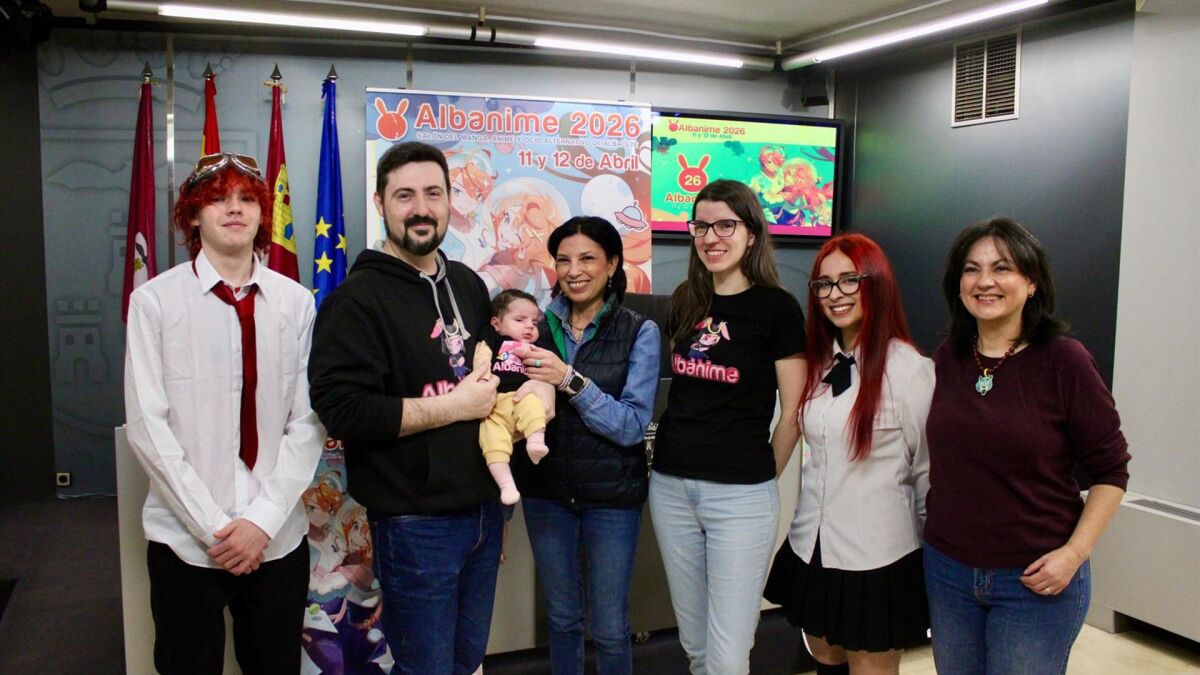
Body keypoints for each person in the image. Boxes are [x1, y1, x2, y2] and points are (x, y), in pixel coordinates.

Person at [308, 141, 550, 674]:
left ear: (449, 200)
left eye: (433, 193)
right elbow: (343, 410)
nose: (421, 208)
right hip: (415, 525)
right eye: (405, 195)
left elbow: (497, 371)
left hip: (483, 513)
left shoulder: (467, 283)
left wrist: (540, 390)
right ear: (380, 203)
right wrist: (454, 407)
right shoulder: (355, 300)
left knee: (466, 662)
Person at [124, 151, 324, 674]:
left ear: (262, 213)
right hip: (185, 542)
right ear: (193, 215)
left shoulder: (296, 303)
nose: (234, 209)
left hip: (276, 539)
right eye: (217, 199)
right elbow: (147, 426)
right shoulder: (154, 303)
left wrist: (260, 522)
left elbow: (307, 422)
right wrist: (215, 527)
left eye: (246, 199)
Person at [923, 217, 1131, 674]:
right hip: (948, 572)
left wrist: (1073, 555)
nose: (985, 281)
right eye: (972, 269)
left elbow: (1111, 472)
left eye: (1002, 268)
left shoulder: (1064, 361)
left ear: (1032, 283)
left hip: (1034, 581)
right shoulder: (948, 358)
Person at [650, 179, 806, 674]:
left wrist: (759, 476)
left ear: (752, 233)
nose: (711, 237)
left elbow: (794, 409)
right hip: (671, 488)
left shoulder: (777, 308)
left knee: (727, 654)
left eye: (725, 225)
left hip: (740, 497)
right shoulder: (685, 300)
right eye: (701, 226)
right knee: (695, 645)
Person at [763, 233, 934, 675]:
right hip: (812, 546)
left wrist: (929, 563)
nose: (834, 294)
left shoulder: (909, 370)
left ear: (876, 283)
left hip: (877, 558)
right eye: (824, 284)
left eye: (848, 280)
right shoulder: (819, 363)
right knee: (825, 661)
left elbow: (927, 474)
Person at [513, 215, 661, 675]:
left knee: (611, 627)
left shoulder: (640, 331)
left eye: (587, 259)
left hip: (612, 497)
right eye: (563, 260)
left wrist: (569, 380)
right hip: (546, 493)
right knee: (562, 619)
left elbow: (631, 426)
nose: (574, 271)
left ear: (613, 264)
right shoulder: (534, 327)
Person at [478, 288, 553, 505]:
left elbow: (549, 368)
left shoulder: (535, 346)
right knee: (491, 440)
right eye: (520, 320)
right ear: (497, 323)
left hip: (522, 395)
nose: (529, 326)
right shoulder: (494, 341)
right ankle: (506, 485)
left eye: (534, 322)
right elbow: (481, 359)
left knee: (533, 407)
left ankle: (535, 442)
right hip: (493, 407)